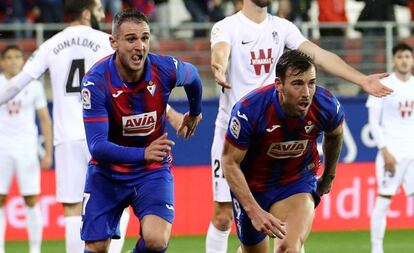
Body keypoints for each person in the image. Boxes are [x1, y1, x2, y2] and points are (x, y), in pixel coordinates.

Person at [207, 1, 391, 252]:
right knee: (222, 213)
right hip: (237, 133)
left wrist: (360, 79)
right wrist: (218, 65)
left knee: (289, 238)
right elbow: (220, 50)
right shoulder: (226, 26)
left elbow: (319, 55)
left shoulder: (283, 27)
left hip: (281, 124)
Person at [0, 1, 131, 252]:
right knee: (119, 200)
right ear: (85, 12)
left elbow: (17, 84)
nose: (102, 14)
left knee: (72, 207)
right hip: (102, 134)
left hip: (67, 138)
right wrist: (167, 111)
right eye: (97, 9)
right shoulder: (106, 42)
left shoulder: (50, 45)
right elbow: (138, 75)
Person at [80, 8, 202, 253]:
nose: (140, 46)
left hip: (151, 171)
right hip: (108, 173)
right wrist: (143, 153)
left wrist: (195, 112)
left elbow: (194, 77)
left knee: (156, 241)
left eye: (145, 38)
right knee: (95, 248)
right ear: (113, 42)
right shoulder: (95, 82)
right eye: (131, 39)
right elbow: (97, 146)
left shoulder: (165, 69)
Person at [222, 49, 344, 253]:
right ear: (279, 84)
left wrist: (328, 177)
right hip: (253, 187)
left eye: (311, 83)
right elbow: (229, 162)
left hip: (296, 181)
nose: (306, 93)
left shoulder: (325, 105)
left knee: (289, 249)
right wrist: (253, 211)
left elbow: (335, 134)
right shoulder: (249, 110)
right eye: (297, 83)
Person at [0, 45, 52, 253]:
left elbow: (44, 120)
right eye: (9, 57)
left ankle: (34, 249)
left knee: (31, 198)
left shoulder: (34, 86)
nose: (14, 61)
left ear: (23, 60)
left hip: (27, 149)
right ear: (2, 62)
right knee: (0, 198)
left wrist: (48, 152)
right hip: (2, 148)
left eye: (17, 57)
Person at [366, 42, 414, 253]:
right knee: (384, 200)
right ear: (394, 60)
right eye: (400, 56)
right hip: (392, 152)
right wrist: (385, 151)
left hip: (412, 152)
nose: (404, 60)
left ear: (412, 60)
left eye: (408, 56)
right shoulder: (383, 84)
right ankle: (377, 249)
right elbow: (374, 123)